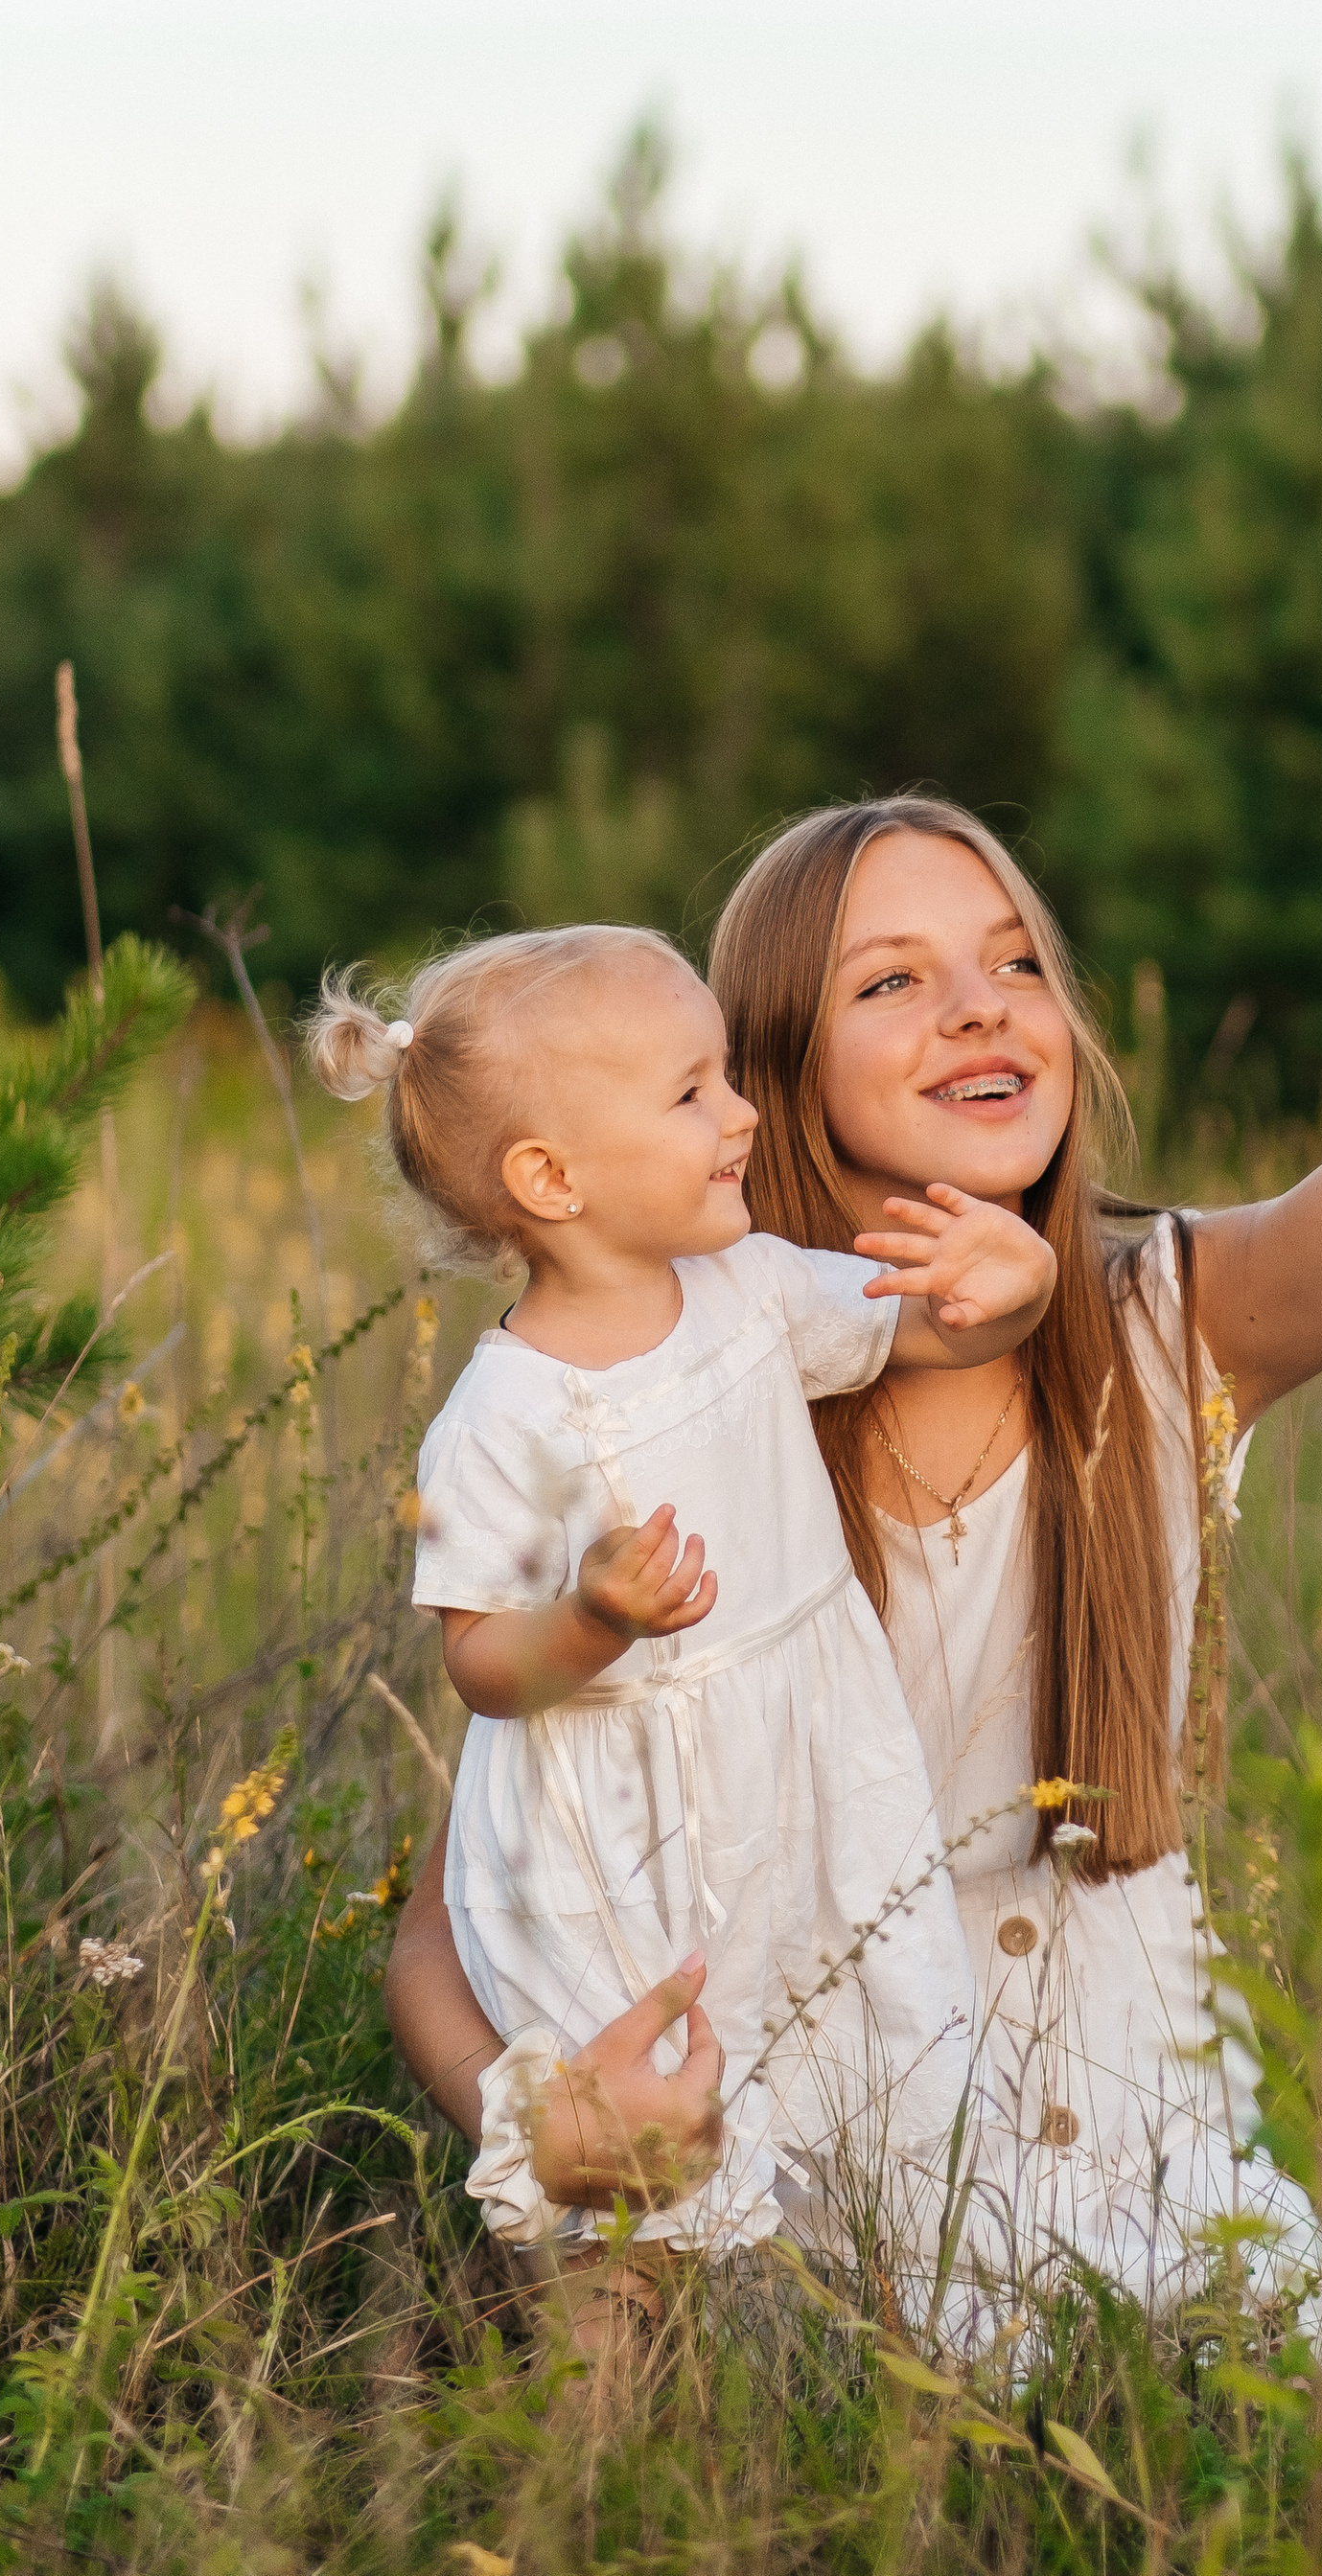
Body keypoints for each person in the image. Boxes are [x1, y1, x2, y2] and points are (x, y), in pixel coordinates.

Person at [385, 586, 1322, 2312]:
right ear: (756, 1074)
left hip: (1132, 2166)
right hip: (792, 2181)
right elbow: (459, 1906)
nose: (982, 1007)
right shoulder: (668, 1402)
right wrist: (538, 2116)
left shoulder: (1165, 1325)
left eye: (1016, 961)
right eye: (897, 981)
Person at [310, 922, 1055, 2253]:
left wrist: (1017, 1285)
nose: (744, 1114)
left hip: (798, 1770)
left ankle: (850, 2360)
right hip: (622, 1833)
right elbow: (481, 1667)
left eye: (724, 1077)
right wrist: (594, 1620)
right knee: (636, 2157)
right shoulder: (503, 1419)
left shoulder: (750, 1289)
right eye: (691, 1094)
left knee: (852, 2064)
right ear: (551, 1178)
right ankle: (601, 2409)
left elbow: (925, 1323)